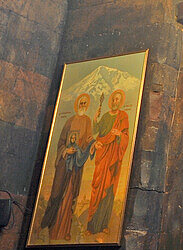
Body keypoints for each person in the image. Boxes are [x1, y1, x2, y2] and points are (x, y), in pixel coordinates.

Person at [40, 93, 94, 241]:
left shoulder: (88, 121)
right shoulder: (69, 121)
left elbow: (88, 141)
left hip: (76, 166)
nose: (82, 106)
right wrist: (66, 151)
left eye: (85, 103)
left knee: (70, 196)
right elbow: (61, 143)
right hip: (64, 165)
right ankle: (50, 228)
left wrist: (91, 144)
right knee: (57, 193)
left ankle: (65, 231)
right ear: (77, 104)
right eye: (81, 103)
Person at [86, 89, 130, 235]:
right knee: (97, 187)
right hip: (103, 154)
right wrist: (95, 119)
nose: (114, 102)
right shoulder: (105, 115)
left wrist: (119, 135)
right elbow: (98, 132)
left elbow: (126, 137)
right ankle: (91, 225)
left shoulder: (123, 116)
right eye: (113, 99)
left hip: (113, 157)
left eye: (117, 99)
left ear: (121, 101)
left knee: (109, 189)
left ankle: (103, 224)